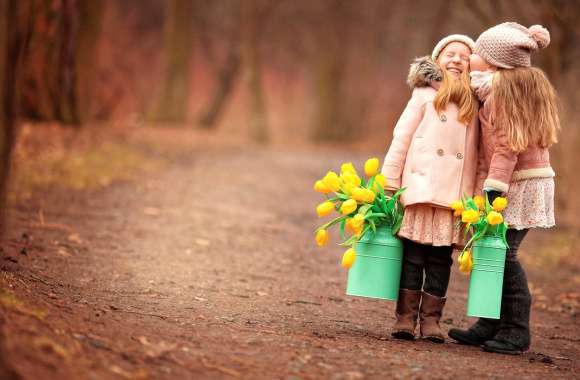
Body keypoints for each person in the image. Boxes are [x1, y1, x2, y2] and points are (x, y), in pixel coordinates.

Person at [448, 22, 559, 355]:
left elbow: (507, 145)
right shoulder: (499, 88)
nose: (473, 57)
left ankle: (516, 329)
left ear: (494, 64)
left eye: (479, 54)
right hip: (519, 179)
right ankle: (490, 322)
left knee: (505, 255)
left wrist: (493, 189)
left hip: (517, 184)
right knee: (492, 253)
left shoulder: (501, 93)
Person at [381, 34, 479, 343]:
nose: (456, 60)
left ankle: (432, 321)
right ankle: (405, 318)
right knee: (413, 255)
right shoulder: (423, 95)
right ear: (437, 61)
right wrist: (389, 180)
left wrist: (476, 197)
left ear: (471, 66)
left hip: (453, 197)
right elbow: (402, 138)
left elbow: (479, 154)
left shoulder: (474, 101)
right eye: (450, 54)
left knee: (440, 260)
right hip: (421, 188)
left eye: (464, 56)